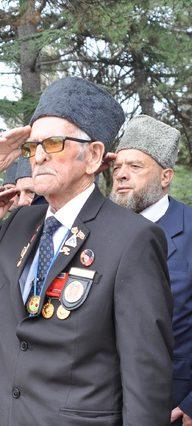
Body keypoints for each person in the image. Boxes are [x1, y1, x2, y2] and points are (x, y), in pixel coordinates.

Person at [0, 76, 173, 425]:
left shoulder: (133, 239)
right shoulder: (16, 223)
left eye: (52, 143)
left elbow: (146, 375)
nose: (37, 156)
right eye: (31, 146)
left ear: (93, 155)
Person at [108, 115, 192, 426]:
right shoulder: (99, 230)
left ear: (166, 176)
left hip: (171, 409)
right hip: (103, 407)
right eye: (118, 167)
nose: (122, 175)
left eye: (135, 167)